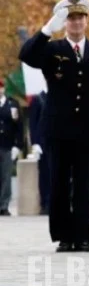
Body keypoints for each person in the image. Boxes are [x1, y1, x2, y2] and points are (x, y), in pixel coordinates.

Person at [19, 0, 89, 251]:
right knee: (59, 183)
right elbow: (26, 55)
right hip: (58, 128)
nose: (76, 23)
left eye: (80, 17)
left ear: (86, 20)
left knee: (83, 185)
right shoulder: (51, 49)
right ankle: (64, 236)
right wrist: (48, 28)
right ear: (65, 21)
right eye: (70, 18)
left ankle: (83, 237)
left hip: (86, 130)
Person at [0, 79, 22, 216]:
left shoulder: (12, 104)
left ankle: (3, 205)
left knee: (6, 177)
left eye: (0, 87)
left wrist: (18, 145)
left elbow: (19, 126)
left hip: (7, 145)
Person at [29, 90, 50, 214]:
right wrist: (35, 143)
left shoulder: (58, 95)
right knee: (44, 175)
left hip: (56, 141)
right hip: (42, 144)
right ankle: (45, 203)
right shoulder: (37, 98)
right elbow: (33, 122)